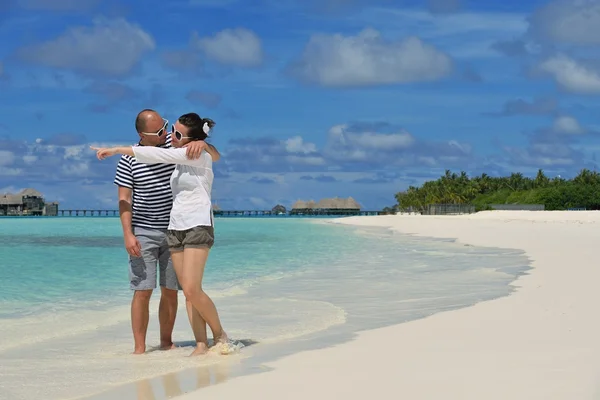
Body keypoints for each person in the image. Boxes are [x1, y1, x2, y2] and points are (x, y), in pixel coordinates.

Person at [94, 112, 228, 356]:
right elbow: (125, 197)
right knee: (153, 290)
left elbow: (207, 154)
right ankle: (161, 347)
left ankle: (210, 336)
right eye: (165, 131)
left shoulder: (184, 149)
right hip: (161, 228)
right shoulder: (164, 150)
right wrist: (128, 233)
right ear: (142, 135)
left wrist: (205, 144)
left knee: (185, 290)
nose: (168, 135)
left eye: (171, 130)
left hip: (188, 226)